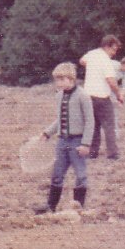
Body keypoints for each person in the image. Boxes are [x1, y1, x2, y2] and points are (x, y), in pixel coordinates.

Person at [36, 63, 95, 214]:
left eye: (61, 79)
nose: (58, 83)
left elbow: (90, 121)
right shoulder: (59, 96)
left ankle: (78, 208)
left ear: (71, 79)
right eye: (57, 80)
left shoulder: (83, 96)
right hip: (62, 141)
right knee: (57, 174)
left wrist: (86, 144)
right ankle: (51, 206)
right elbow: (59, 119)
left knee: (80, 175)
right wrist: (47, 133)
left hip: (77, 141)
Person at [80, 35, 125, 159]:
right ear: (106, 46)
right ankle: (113, 153)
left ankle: (93, 152)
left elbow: (82, 61)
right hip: (101, 97)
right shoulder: (106, 60)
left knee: (93, 125)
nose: (114, 53)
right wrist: (119, 95)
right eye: (113, 49)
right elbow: (111, 81)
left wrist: (93, 68)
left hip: (88, 96)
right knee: (109, 125)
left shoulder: (92, 54)